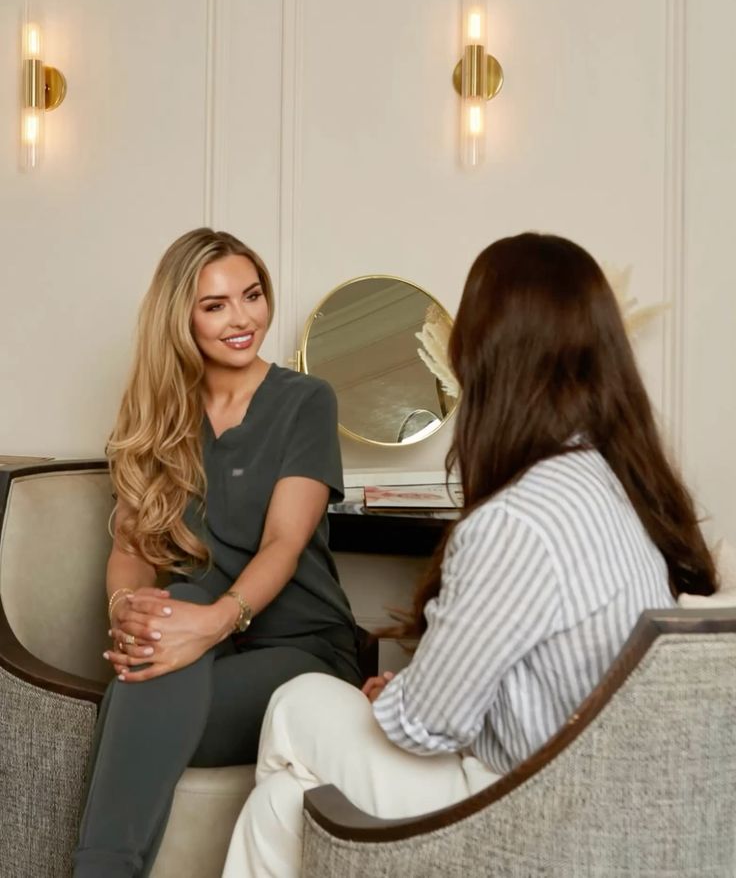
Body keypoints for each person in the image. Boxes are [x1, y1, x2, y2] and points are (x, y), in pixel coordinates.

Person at [221, 232, 717, 877]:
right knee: (279, 806)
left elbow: (424, 726)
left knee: (297, 702)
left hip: (525, 813)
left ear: (483, 356)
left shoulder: (517, 519)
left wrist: (402, 701)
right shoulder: (617, 484)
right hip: (594, 803)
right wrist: (416, 697)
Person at [72, 228, 361, 877]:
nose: (243, 319)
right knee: (166, 615)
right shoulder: (155, 413)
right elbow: (132, 546)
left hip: (300, 649)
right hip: (186, 644)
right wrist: (126, 608)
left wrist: (213, 622)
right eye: (216, 305)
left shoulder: (304, 401)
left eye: (252, 295)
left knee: (143, 696)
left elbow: (285, 543)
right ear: (182, 318)